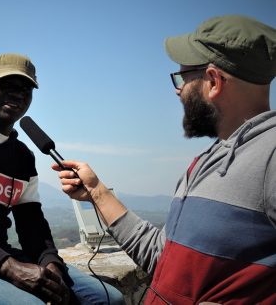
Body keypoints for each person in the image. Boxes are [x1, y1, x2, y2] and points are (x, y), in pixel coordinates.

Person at [53, 15, 276, 304]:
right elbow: (164, 258)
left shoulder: (270, 154)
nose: (178, 89)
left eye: (182, 77)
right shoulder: (204, 162)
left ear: (213, 81)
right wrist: (96, 192)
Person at [0, 53, 124, 305]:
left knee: (108, 299)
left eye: (26, 88)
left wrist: (50, 263)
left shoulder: (23, 156)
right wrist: (9, 266)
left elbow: (32, 224)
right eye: (8, 84)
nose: (18, 94)